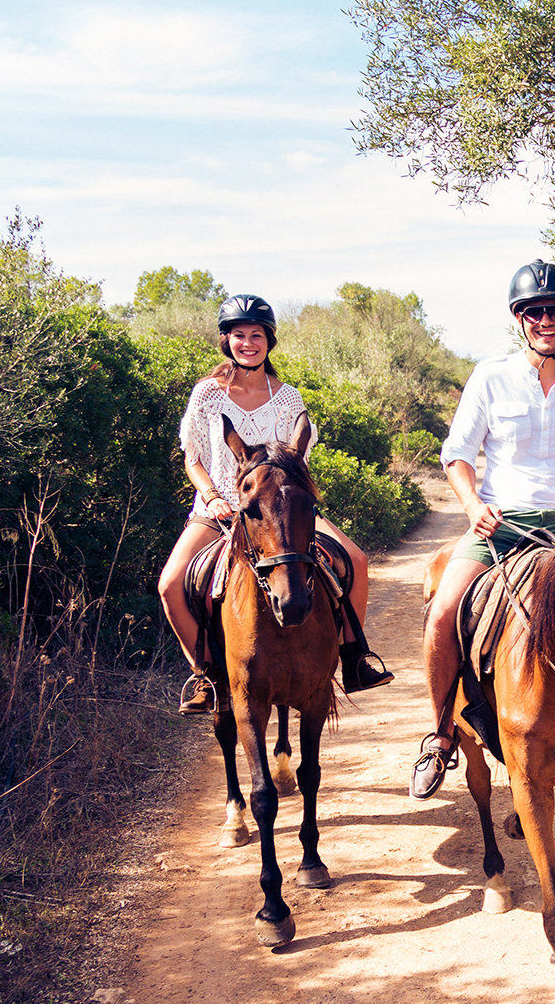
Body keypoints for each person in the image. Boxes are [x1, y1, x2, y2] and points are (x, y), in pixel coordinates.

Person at [409, 260, 555, 800]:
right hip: (500, 525)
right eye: (534, 311)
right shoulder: (490, 378)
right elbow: (457, 455)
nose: (546, 320)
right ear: (519, 319)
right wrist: (472, 505)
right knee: (443, 614)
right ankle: (441, 734)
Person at [158, 293, 393, 714]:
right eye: (239, 335)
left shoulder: (288, 397)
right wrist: (211, 497)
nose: (248, 343)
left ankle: (355, 657)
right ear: (226, 341)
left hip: (281, 510)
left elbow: (297, 461)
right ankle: (206, 675)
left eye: (256, 335)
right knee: (170, 585)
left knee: (355, 560)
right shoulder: (207, 395)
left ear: (269, 340)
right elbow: (192, 457)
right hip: (221, 510)